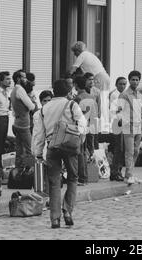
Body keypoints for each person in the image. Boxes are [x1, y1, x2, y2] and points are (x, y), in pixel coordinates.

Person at [33, 79, 88, 229]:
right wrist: (79, 139)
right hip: (70, 146)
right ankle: (68, 211)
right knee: (73, 178)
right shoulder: (71, 104)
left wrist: (38, 153)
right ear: (68, 91)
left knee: (54, 182)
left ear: (54, 91)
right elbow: (82, 124)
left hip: (52, 146)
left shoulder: (44, 109)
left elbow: (39, 133)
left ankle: (55, 219)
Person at [70, 41, 111, 132]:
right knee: (103, 102)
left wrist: (67, 78)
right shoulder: (89, 55)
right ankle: (104, 127)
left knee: (100, 102)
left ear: (78, 50)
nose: (74, 55)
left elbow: (73, 69)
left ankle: (102, 128)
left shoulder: (83, 54)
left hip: (99, 78)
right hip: (104, 76)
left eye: (75, 52)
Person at [117, 71, 142, 185]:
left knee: (136, 151)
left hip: (139, 126)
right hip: (128, 126)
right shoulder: (124, 94)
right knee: (130, 151)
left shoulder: (140, 94)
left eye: (137, 79)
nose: (135, 81)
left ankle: (130, 174)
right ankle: (129, 175)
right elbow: (118, 110)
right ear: (129, 80)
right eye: (133, 79)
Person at [74, 76, 98, 186]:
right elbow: (95, 114)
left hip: (80, 127)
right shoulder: (92, 97)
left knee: (80, 153)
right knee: (86, 152)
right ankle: (85, 177)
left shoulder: (77, 99)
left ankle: (82, 178)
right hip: (90, 126)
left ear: (76, 85)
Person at [11, 70, 36, 170]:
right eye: (24, 77)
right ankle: (30, 170)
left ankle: (18, 170)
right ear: (18, 79)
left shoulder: (14, 90)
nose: (26, 79)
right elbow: (31, 106)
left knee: (19, 150)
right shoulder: (20, 90)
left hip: (17, 123)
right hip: (24, 124)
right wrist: (31, 99)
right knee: (30, 149)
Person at [109, 77, 128, 182]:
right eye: (120, 84)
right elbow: (114, 110)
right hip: (117, 122)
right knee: (119, 148)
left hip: (124, 122)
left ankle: (118, 170)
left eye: (124, 84)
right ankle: (115, 171)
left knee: (122, 148)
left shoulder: (125, 95)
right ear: (116, 85)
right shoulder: (114, 95)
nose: (122, 86)